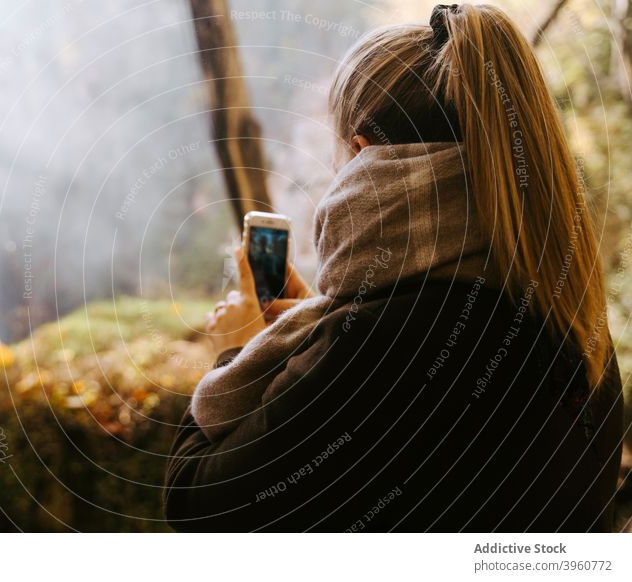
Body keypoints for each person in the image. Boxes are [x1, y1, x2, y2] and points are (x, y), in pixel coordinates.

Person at [164, 4, 624, 532]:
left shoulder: (380, 343)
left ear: (363, 153)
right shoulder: (572, 316)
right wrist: (317, 334)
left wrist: (239, 347)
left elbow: (199, 505)